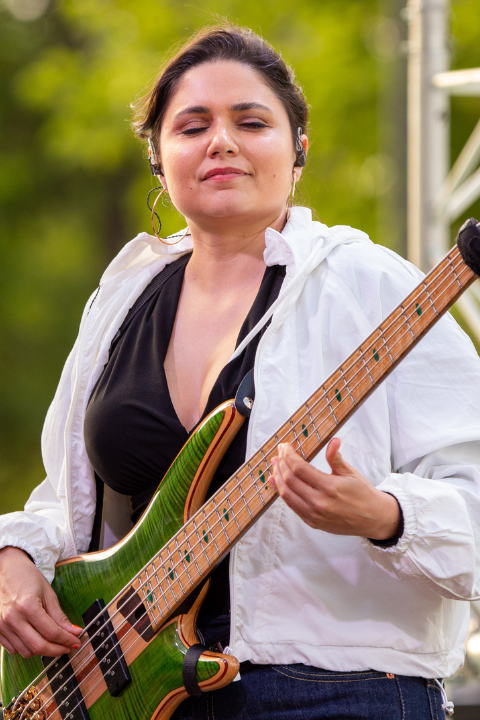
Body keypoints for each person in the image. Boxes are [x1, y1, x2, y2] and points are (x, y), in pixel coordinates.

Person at [1, 23, 480, 720]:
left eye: (250, 121)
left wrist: (386, 515)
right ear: (160, 161)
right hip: (129, 692)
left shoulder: (376, 287)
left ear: (299, 151)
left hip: (336, 692)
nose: (220, 140)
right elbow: (67, 505)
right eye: (191, 126)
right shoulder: (122, 299)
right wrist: (14, 558)